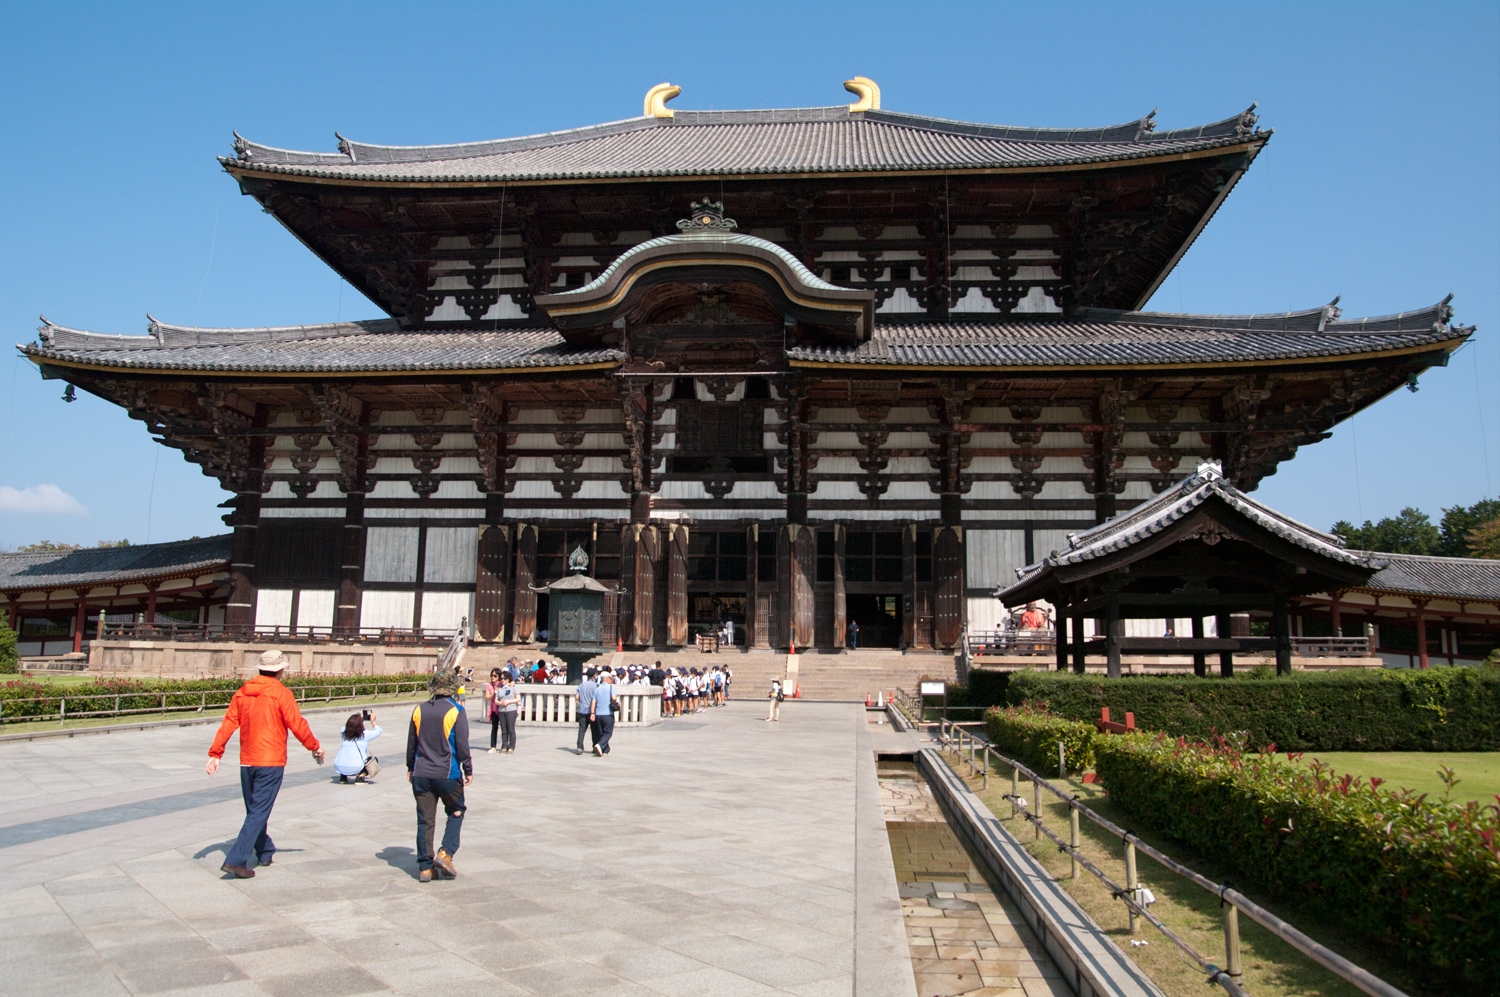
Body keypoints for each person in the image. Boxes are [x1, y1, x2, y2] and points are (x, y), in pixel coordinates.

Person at [206, 650, 324, 879]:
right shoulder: (281, 694)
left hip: (247, 761)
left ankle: (265, 849)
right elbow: (297, 724)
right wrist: (314, 746)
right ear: (280, 670)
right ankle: (236, 859)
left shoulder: (242, 693)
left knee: (254, 811)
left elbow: (229, 723)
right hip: (270, 761)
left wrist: (215, 754)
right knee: (258, 812)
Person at [406, 670, 472, 882]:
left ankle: (425, 867)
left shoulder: (419, 710)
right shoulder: (456, 711)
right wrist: (468, 769)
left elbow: (411, 744)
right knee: (456, 810)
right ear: (452, 687)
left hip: (421, 772)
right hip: (447, 773)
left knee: (425, 819)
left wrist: (410, 767)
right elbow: (462, 745)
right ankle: (446, 853)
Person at [333, 712, 382, 783]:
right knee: (374, 760)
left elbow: (346, 727)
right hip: (356, 767)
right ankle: (360, 777)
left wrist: (355, 720)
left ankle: (343, 777)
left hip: (339, 767)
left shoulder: (344, 732)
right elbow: (379, 731)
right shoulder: (365, 734)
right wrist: (372, 721)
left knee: (346, 757)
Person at [590, 668, 616, 756]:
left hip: (598, 714)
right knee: (608, 732)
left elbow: (593, 702)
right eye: (611, 679)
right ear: (607, 679)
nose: (612, 680)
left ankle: (605, 750)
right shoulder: (611, 687)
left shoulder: (597, 689)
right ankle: (600, 745)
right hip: (608, 713)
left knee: (601, 732)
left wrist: (592, 713)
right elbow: (614, 698)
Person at [575, 668, 598, 755]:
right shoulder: (596, 686)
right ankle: (595, 746)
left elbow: (577, 697)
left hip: (582, 710)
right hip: (591, 711)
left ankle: (579, 747)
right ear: (594, 676)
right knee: (594, 729)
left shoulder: (581, 685)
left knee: (582, 729)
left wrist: (583, 701)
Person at [496, 672, 519, 753]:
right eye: (501, 678)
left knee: (511, 728)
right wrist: (500, 703)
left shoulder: (513, 687)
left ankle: (512, 746)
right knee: (504, 729)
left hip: (511, 709)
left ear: (508, 679)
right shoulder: (499, 689)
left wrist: (509, 701)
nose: (503, 680)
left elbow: (518, 698)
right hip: (502, 710)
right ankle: (504, 745)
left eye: (504, 679)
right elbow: (496, 700)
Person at [483, 669, 504, 753]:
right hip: (494, 709)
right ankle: (493, 746)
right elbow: (487, 697)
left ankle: (504, 745)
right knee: (494, 727)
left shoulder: (501, 684)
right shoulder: (489, 685)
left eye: (495, 676)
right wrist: (494, 693)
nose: (493, 677)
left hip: (501, 708)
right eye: (492, 675)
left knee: (504, 727)